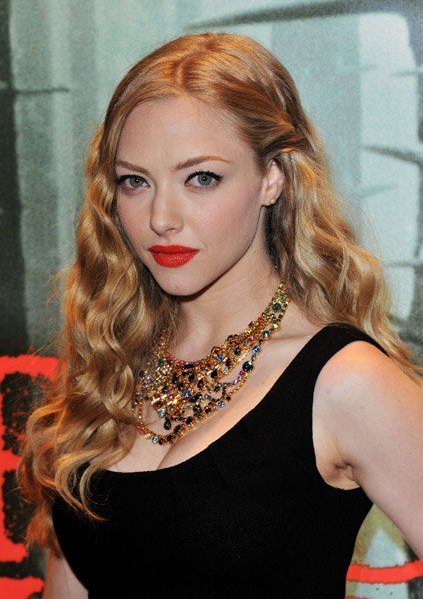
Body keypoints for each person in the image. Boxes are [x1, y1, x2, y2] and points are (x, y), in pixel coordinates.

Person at [19, 32, 422, 598]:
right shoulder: (110, 366)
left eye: (201, 178)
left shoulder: (345, 381)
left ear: (272, 177)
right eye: (135, 181)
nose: (161, 217)